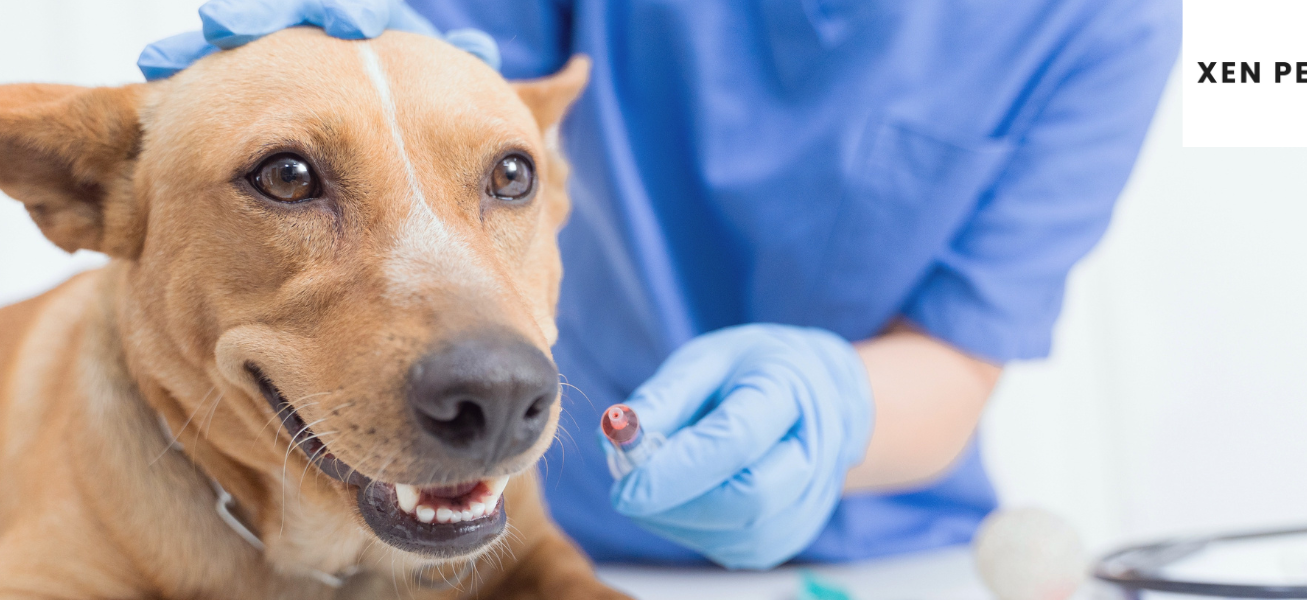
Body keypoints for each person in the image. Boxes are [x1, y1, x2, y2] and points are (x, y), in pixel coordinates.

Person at [140, 0, 1179, 570]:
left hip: (886, 549)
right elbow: (443, 98)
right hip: (529, 529)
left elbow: (957, 363)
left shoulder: (1106, 23)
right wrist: (338, 56)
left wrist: (834, 406)